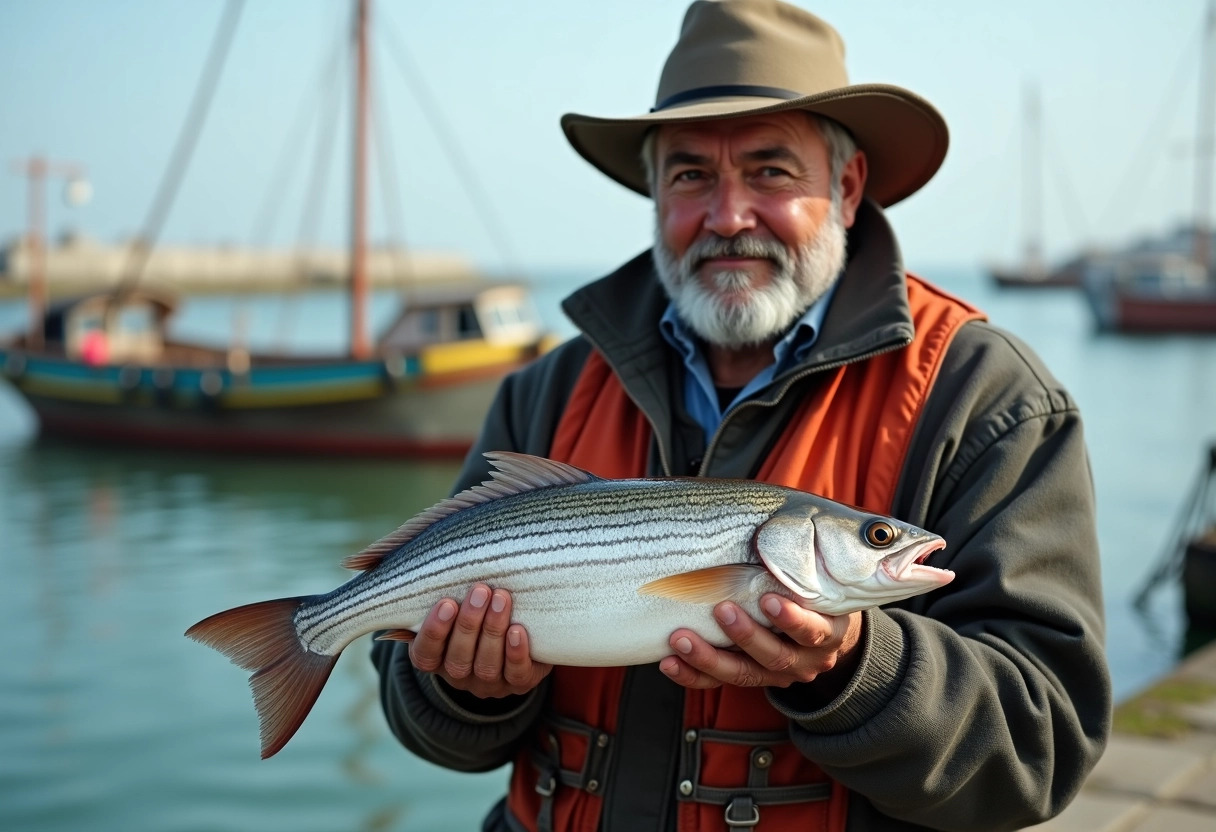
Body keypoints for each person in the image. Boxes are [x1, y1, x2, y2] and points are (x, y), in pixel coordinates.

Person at [372, 1, 1110, 830]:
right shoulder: (544, 388)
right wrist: (456, 688)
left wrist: (854, 666)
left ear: (848, 187)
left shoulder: (990, 397)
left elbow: (1039, 754)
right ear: (654, 194)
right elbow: (432, 730)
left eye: (771, 171)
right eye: (690, 175)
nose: (728, 217)